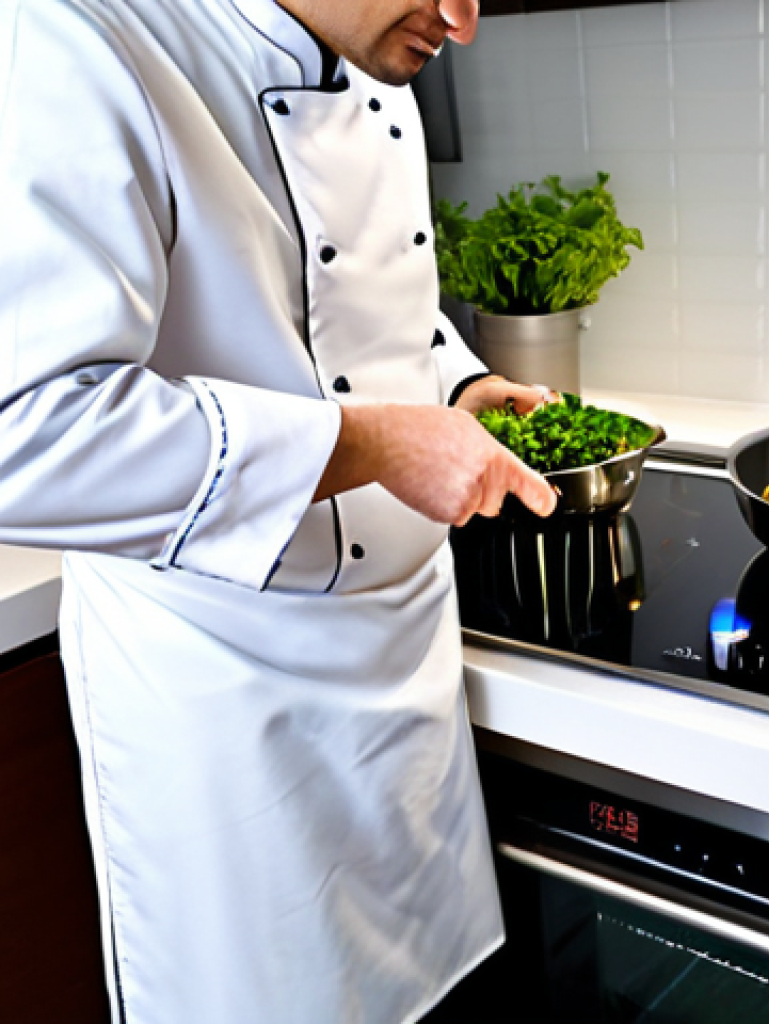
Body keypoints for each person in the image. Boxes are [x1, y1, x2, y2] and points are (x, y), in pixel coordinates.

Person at [0, 1, 558, 1022]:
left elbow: (359, 310)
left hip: (406, 680)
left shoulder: (378, 48)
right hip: (231, 709)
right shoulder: (84, 34)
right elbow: (24, 435)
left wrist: (460, 389)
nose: (462, 23)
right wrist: (381, 445)